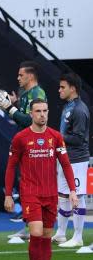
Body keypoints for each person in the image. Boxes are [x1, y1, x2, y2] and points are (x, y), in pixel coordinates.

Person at [4, 99, 77, 260]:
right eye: (38, 111)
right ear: (31, 113)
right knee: (35, 233)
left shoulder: (55, 137)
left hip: (51, 194)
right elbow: (11, 167)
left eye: (45, 110)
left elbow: (66, 164)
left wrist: (72, 190)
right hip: (30, 193)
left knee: (46, 236)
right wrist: (8, 194)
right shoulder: (20, 138)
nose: (42, 114)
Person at [0, 61, 46, 232]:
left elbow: (31, 121)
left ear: (30, 76)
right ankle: (29, 222)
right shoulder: (26, 93)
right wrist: (15, 104)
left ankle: (37, 223)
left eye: (21, 75)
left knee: (32, 185)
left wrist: (9, 108)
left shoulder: (37, 93)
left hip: (35, 145)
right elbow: (23, 119)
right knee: (23, 182)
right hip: (25, 142)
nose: (18, 78)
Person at [53, 73, 90, 248]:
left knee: (78, 195)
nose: (59, 90)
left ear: (72, 88)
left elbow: (79, 138)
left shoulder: (79, 110)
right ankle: (60, 233)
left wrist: (58, 137)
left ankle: (78, 236)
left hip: (77, 159)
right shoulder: (68, 106)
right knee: (63, 195)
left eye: (62, 87)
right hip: (64, 157)